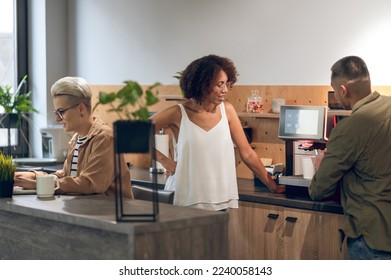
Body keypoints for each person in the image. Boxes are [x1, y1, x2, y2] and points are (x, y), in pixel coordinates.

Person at [150, 54, 285, 211]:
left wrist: (272, 185)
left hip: (219, 199)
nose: (225, 90)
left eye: (227, 84)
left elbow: (247, 153)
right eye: (219, 85)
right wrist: (164, 161)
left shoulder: (227, 110)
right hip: (184, 199)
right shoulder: (178, 113)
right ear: (203, 84)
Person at [308, 56, 391, 259]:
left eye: (335, 91)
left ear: (343, 90)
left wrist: (321, 167)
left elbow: (319, 190)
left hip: (372, 236)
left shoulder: (349, 128)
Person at [14, 76, 133, 198]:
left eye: (61, 112)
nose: (57, 118)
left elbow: (89, 183)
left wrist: (39, 184)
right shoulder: (77, 138)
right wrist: (35, 176)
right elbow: (68, 175)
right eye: (56, 113)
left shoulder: (105, 138)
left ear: (81, 109)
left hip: (108, 214)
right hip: (91, 211)